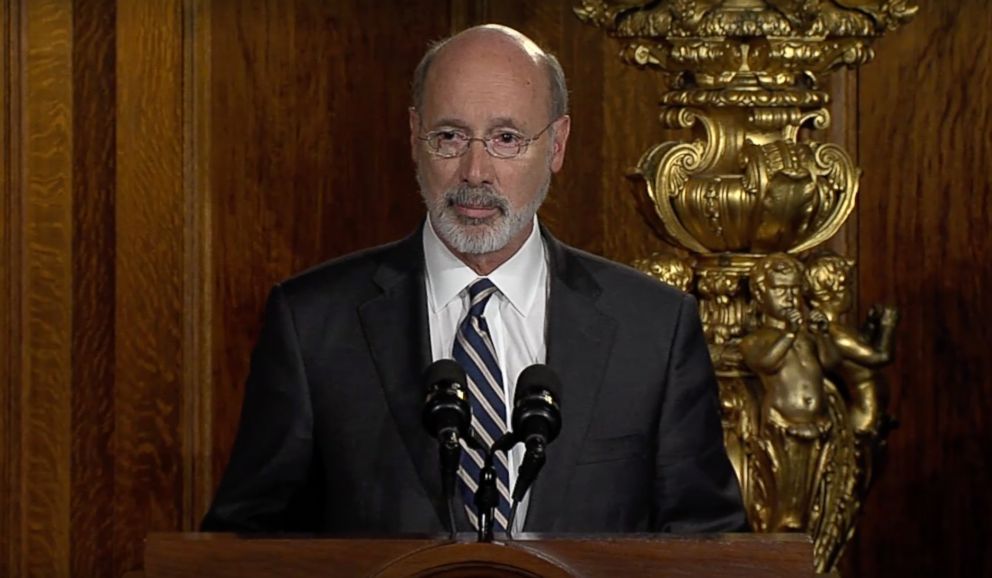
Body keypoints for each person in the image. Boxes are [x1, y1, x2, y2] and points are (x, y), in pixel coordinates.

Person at [202, 24, 746, 536]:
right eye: (450, 136)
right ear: (415, 135)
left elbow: (708, 544)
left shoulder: (652, 328)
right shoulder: (312, 322)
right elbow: (246, 543)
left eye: (506, 138)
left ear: (556, 144)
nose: (475, 172)